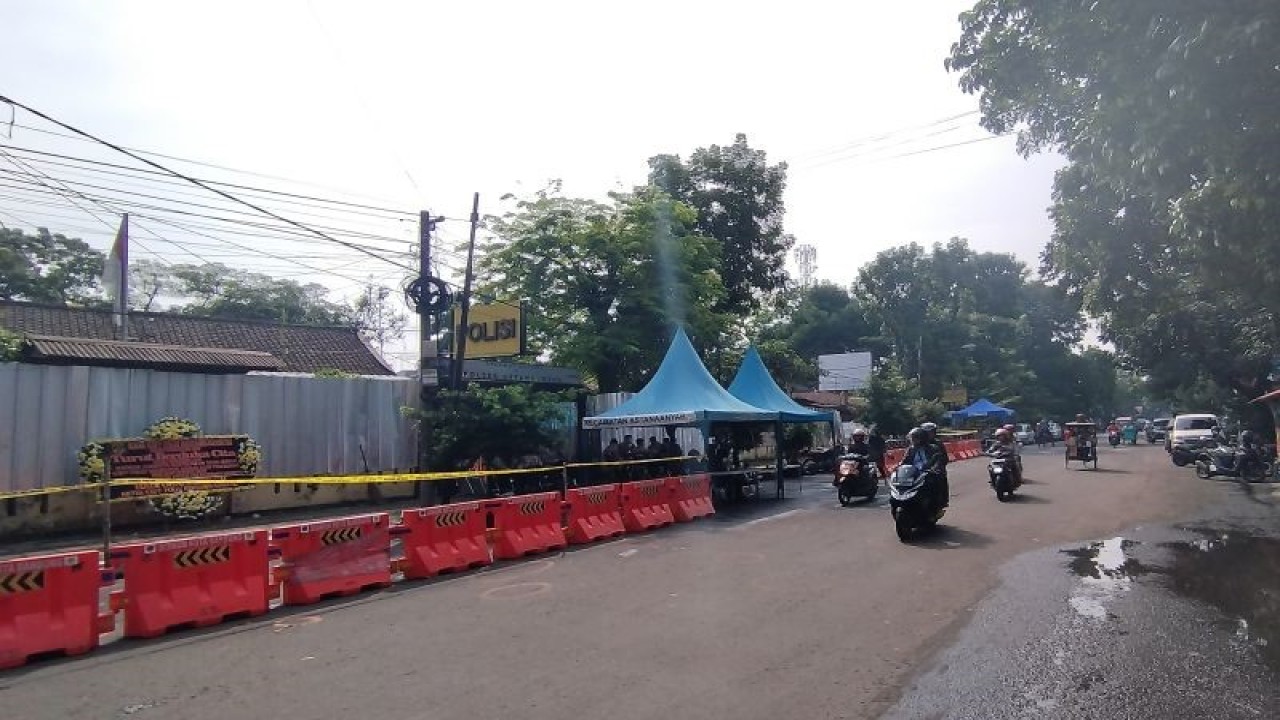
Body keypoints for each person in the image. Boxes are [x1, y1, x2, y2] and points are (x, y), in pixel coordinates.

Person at [903, 426, 949, 507]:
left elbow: (939, 459)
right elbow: (905, 461)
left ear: (922, 438)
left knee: (938, 481)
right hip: (914, 474)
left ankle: (939, 503)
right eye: (912, 438)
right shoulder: (911, 449)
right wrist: (898, 468)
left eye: (915, 438)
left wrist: (935, 468)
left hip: (928, 473)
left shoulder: (933, 447)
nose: (913, 440)